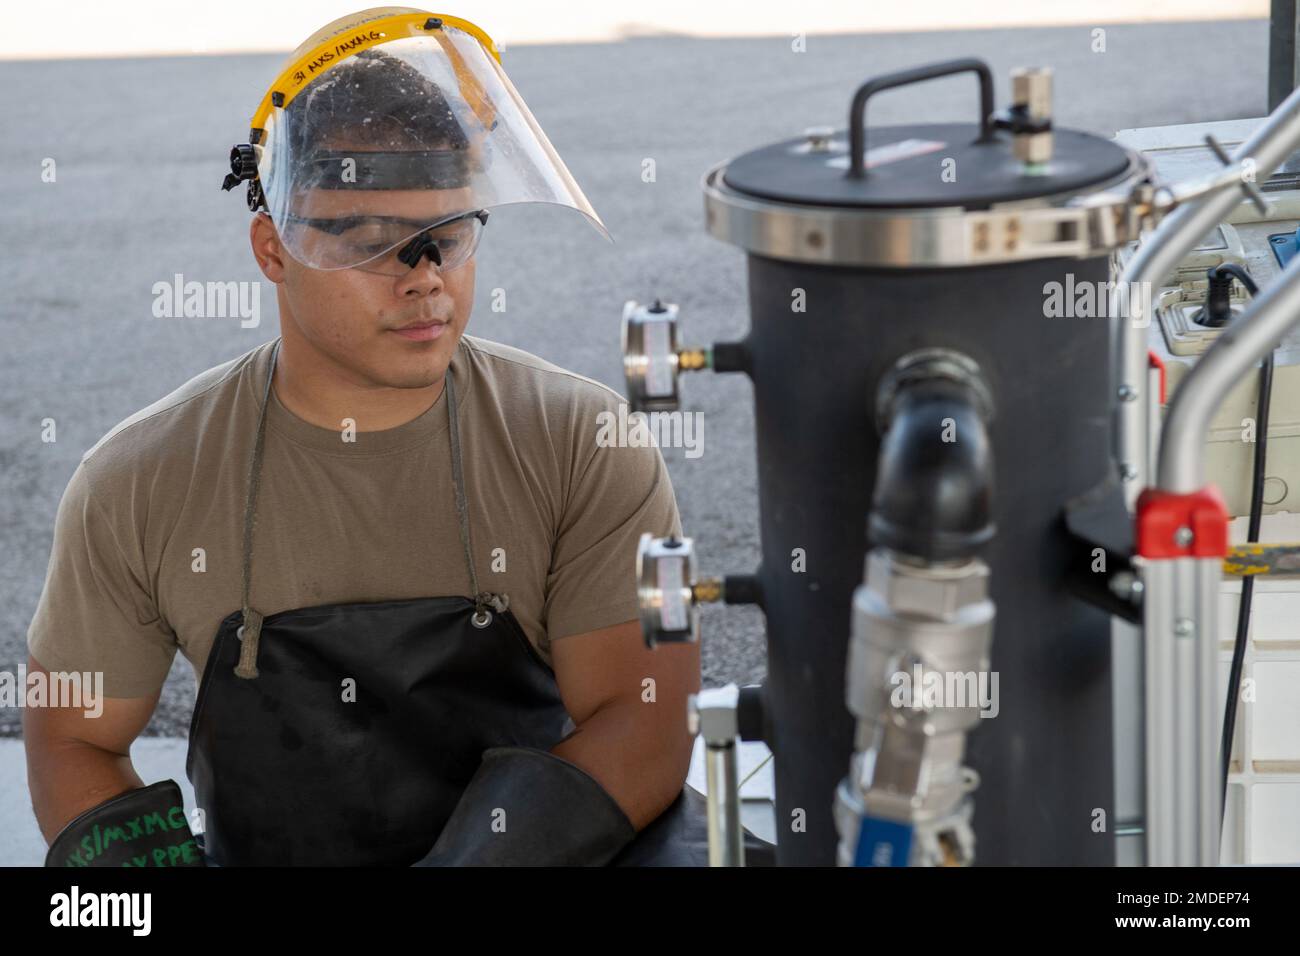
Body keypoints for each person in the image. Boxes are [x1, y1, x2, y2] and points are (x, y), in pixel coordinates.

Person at [25, 7, 728, 867]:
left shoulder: (579, 442)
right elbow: (74, 742)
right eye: (373, 243)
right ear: (273, 249)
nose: (424, 281)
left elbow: (643, 710)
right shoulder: (138, 480)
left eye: (449, 238)